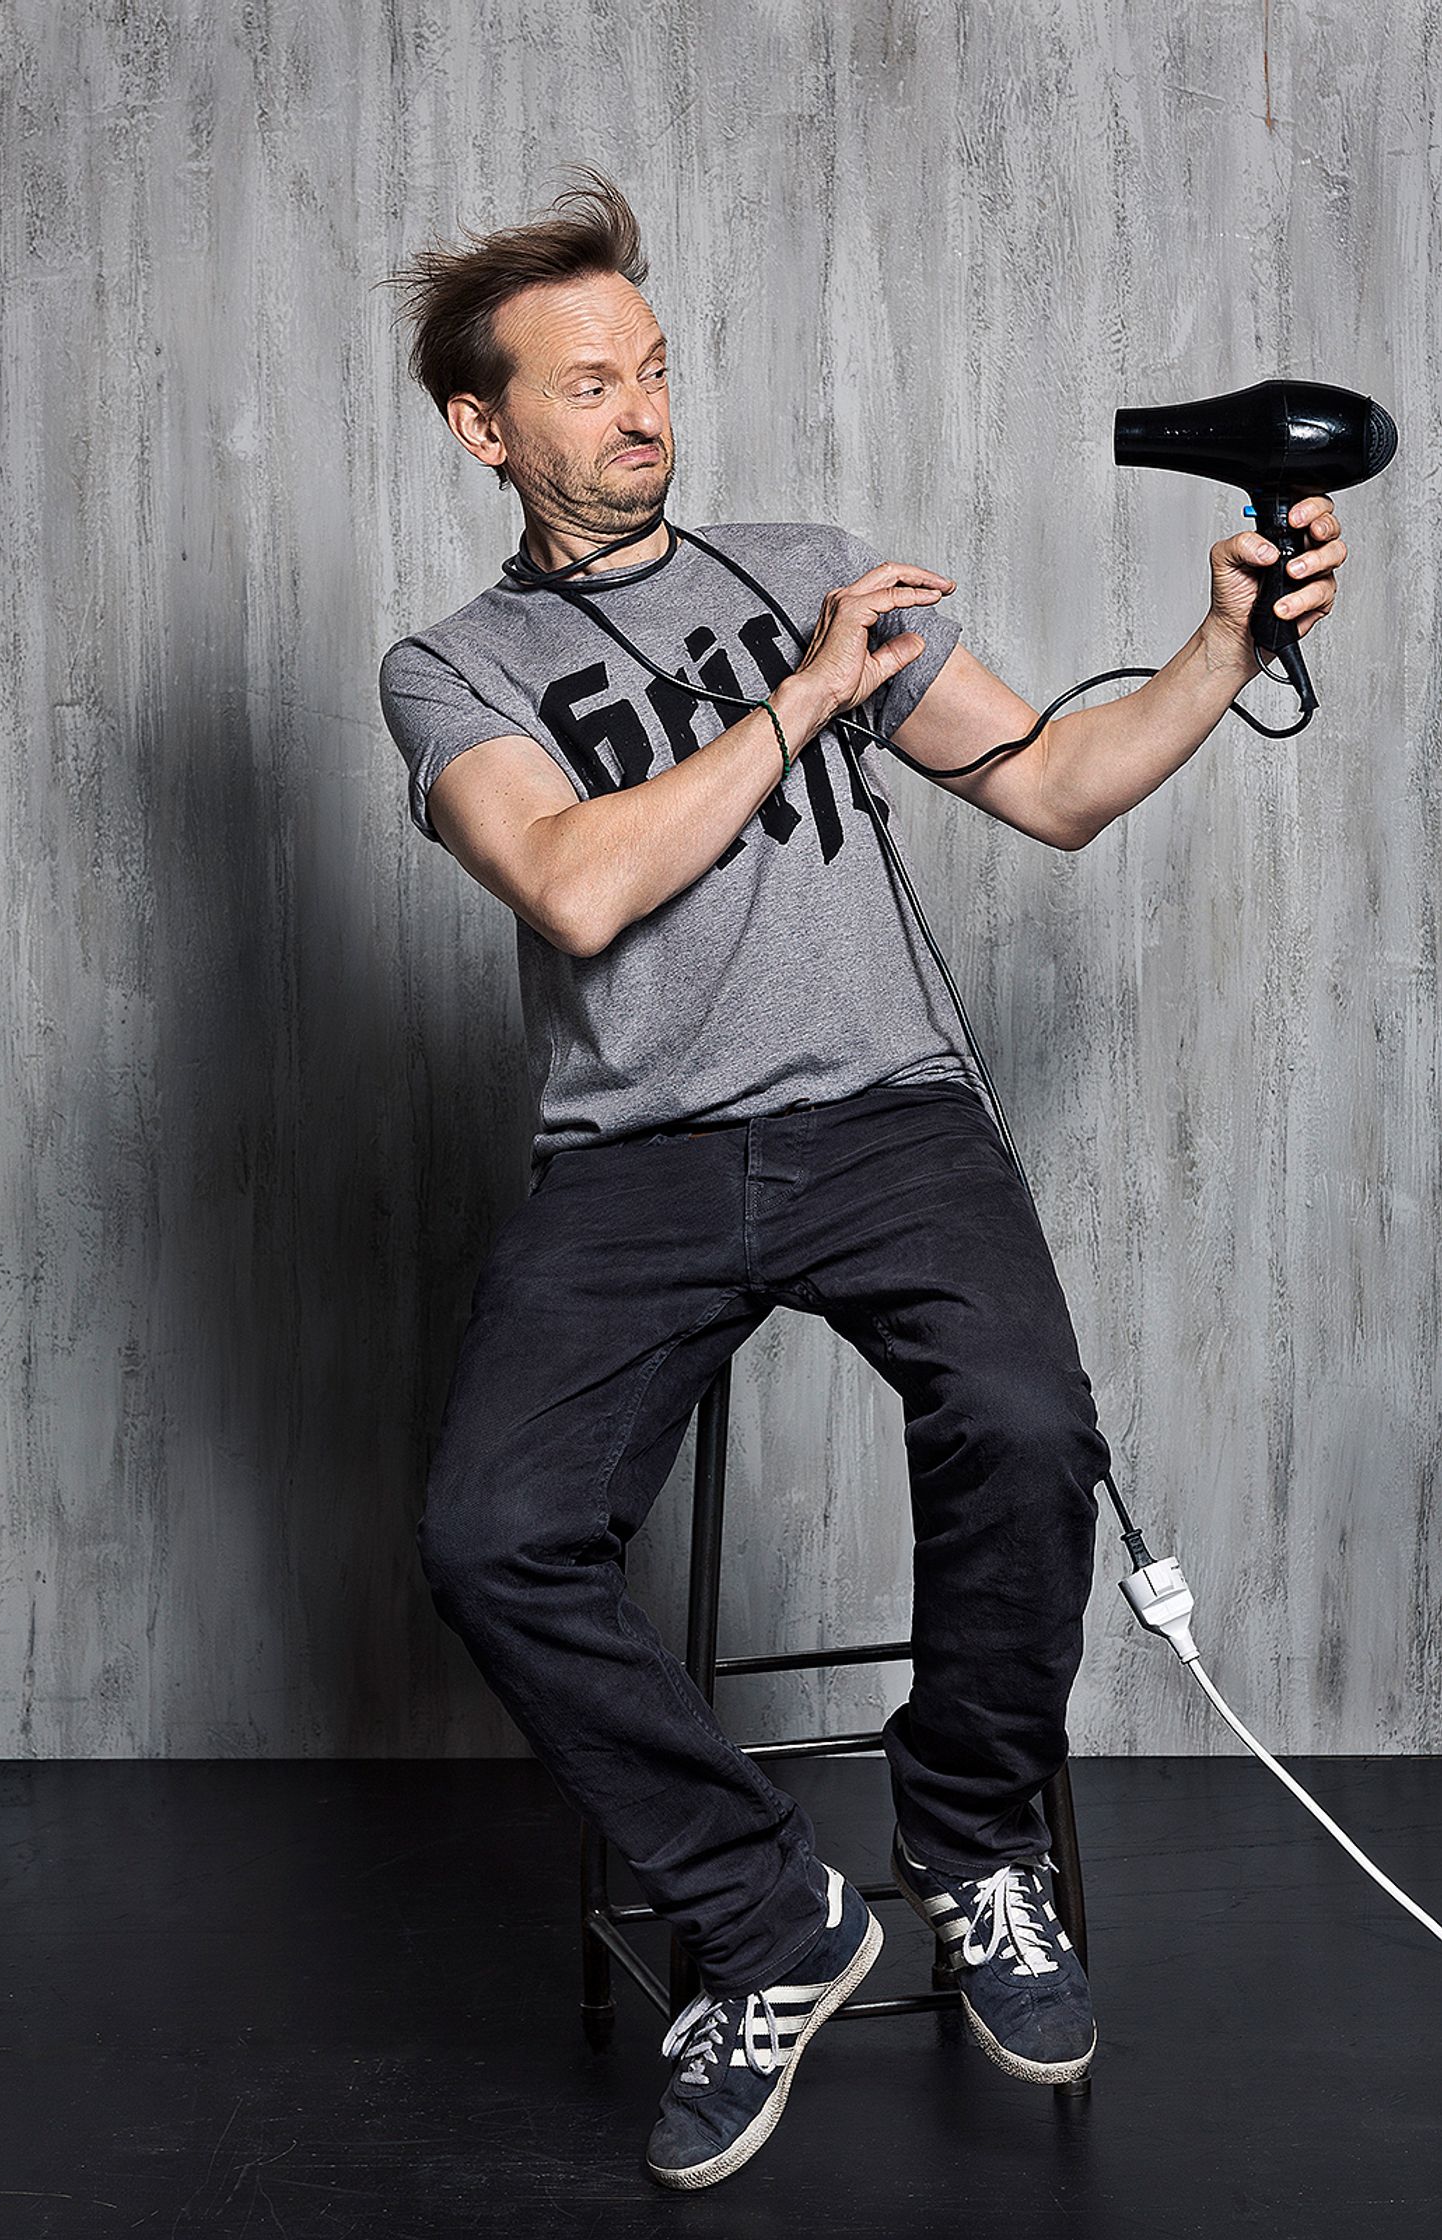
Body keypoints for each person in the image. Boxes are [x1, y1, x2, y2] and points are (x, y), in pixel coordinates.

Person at [376, 169, 1347, 2191]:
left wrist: (1214, 640)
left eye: (652, 369)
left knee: (1021, 1421)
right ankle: (760, 1910)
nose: (641, 413)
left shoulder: (800, 565)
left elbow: (1055, 789)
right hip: (629, 1163)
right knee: (492, 1532)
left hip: (883, 1121)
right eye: (585, 385)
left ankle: (974, 1841)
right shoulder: (449, 670)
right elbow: (571, 884)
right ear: (484, 428)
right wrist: (796, 696)